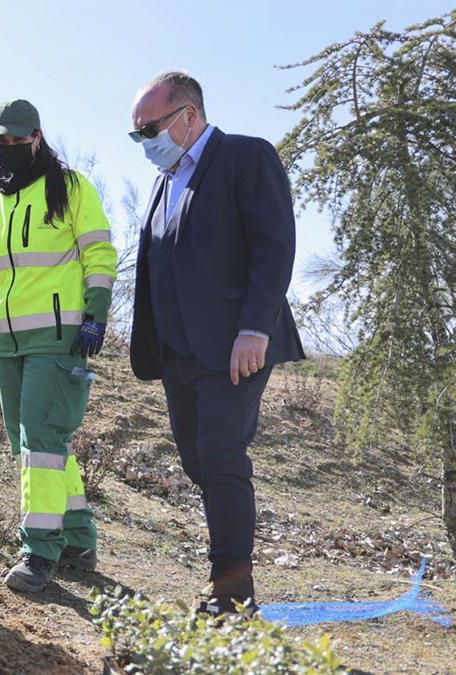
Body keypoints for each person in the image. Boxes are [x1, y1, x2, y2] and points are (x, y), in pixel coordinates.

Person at [127, 72, 305, 616]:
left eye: (150, 128)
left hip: (235, 345)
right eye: (136, 133)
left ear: (189, 115)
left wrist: (255, 328)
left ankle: (231, 592)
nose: (144, 141)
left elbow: (274, 246)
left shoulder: (247, 157)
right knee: (197, 460)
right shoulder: (164, 182)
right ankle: (229, 570)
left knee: (221, 455)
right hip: (178, 353)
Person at [0, 99, 118, 593]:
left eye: (17, 138)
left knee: (40, 441)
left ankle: (39, 552)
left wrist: (96, 313)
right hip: (6, 341)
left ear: (37, 138)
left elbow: (99, 251)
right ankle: (77, 539)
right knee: (36, 445)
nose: (7, 147)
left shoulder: (71, 188)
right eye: (0, 140)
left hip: (58, 337)